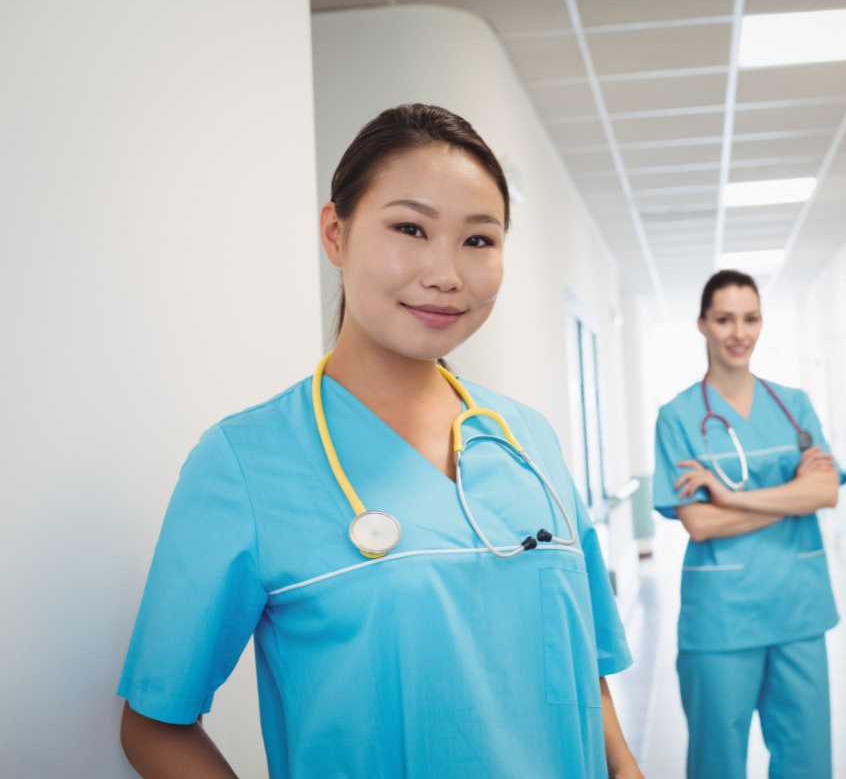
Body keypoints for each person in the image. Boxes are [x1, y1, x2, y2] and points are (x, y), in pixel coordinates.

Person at [118, 103, 642, 779]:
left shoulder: (527, 442)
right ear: (335, 234)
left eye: (478, 240)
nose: (446, 273)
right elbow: (155, 725)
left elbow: (586, 668)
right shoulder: (246, 463)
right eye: (410, 228)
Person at [652, 269, 842, 779]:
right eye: (725, 319)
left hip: (799, 611)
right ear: (702, 325)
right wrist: (791, 498)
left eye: (751, 318)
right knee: (717, 761)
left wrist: (732, 496)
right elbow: (699, 524)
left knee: (807, 761)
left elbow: (827, 490)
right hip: (721, 618)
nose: (740, 333)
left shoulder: (792, 404)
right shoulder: (678, 417)